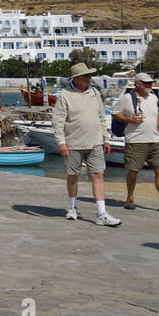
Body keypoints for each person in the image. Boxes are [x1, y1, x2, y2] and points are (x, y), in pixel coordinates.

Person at [52, 62, 121, 226]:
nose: (89, 79)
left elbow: (101, 117)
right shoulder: (64, 95)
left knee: (98, 174)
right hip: (73, 143)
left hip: (95, 141)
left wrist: (106, 138)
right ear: (76, 78)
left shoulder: (95, 93)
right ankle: (72, 207)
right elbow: (58, 121)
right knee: (73, 176)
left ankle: (101, 213)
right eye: (86, 76)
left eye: (90, 76)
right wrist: (61, 141)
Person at [114, 73, 159, 214]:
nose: (150, 85)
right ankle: (130, 198)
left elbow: (156, 112)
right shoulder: (127, 98)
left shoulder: (153, 97)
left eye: (151, 83)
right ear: (137, 83)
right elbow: (115, 113)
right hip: (136, 141)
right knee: (133, 171)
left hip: (154, 140)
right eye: (146, 83)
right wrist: (130, 120)